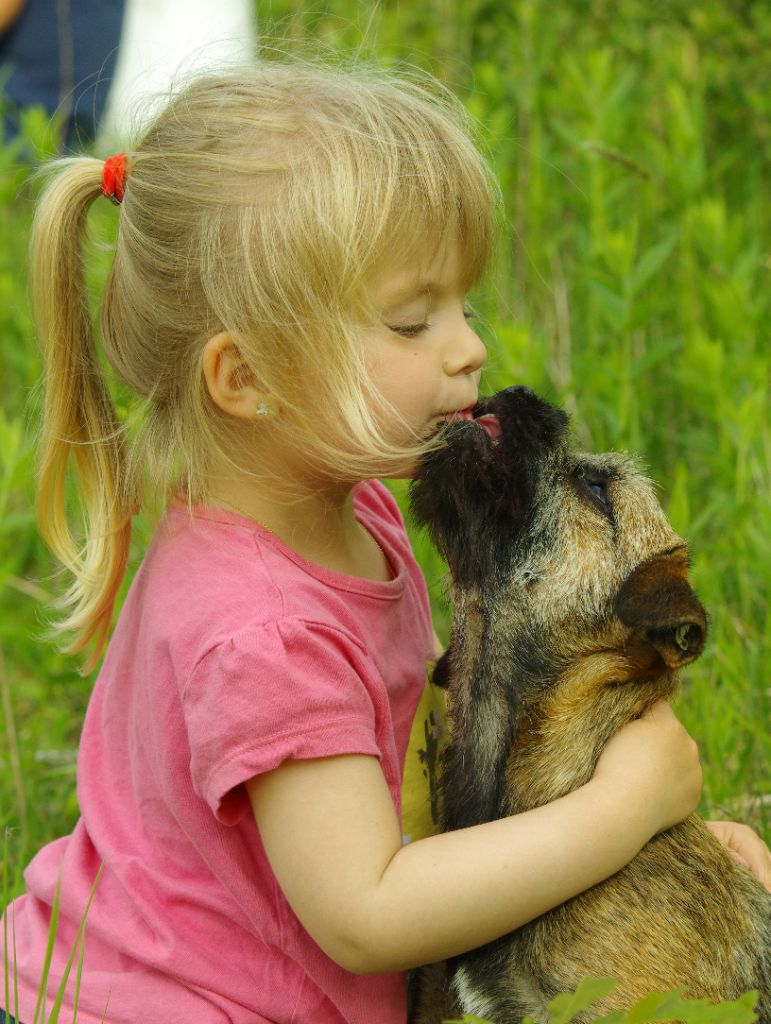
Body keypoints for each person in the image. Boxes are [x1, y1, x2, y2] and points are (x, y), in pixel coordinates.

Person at [1, 60, 769, 1024]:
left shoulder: (344, 508)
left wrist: (666, 865)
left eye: (461, 310)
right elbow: (369, 913)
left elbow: (425, 762)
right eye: (411, 322)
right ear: (248, 379)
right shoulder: (261, 633)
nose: (468, 348)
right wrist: (617, 813)